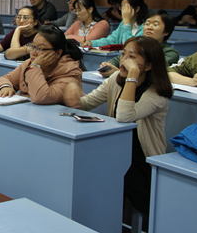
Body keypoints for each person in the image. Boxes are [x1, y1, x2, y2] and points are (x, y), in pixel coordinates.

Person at [63, 36, 172, 216]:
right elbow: (87, 103)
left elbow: (124, 116)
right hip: (117, 146)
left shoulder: (157, 93)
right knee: (87, 170)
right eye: (123, 54)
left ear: (149, 65)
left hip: (143, 157)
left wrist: (132, 77)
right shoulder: (115, 79)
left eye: (132, 57)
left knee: (114, 177)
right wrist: (73, 95)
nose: (124, 61)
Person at [0, 25, 83, 104]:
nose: (33, 52)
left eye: (40, 48)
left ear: (57, 53)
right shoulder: (29, 63)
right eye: (32, 46)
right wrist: (5, 87)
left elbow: (41, 97)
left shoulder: (69, 71)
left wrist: (35, 67)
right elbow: (5, 78)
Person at [100, 10, 179, 77]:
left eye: (155, 25)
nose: (149, 27)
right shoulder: (137, 46)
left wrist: (118, 72)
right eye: (147, 24)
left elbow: (153, 71)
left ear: (166, 32)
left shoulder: (170, 53)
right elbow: (117, 60)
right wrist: (109, 66)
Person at [83, 0, 148, 47]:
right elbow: (111, 40)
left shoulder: (145, 26)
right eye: (121, 7)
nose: (122, 10)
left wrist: (126, 23)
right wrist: (91, 43)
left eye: (126, 7)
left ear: (137, 9)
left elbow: (130, 46)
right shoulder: (123, 23)